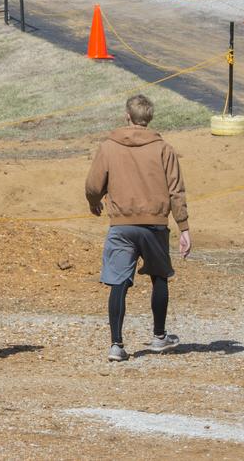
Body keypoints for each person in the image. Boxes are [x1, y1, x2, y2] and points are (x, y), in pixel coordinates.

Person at [85, 94, 190, 363]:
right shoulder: (163, 148)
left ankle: (116, 345)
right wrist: (184, 227)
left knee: (119, 282)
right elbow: (176, 190)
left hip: (121, 225)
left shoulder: (109, 147)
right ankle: (159, 336)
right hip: (155, 225)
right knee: (159, 277)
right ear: (149, 118)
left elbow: (94, 185)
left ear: (127, 116)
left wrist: (94, 202)